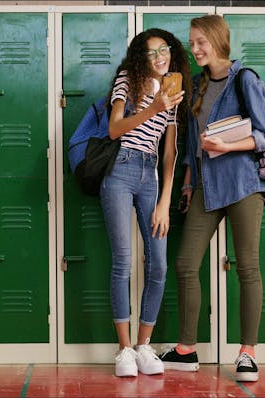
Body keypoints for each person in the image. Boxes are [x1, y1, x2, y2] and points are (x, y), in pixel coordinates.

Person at [157, 15, 265, 383]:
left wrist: (226, 145)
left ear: (217, 39)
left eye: (200, 42)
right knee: (185, 264)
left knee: (247, 268)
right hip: (206, 188)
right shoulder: (196, 85)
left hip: (242, 184)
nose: (194, 50)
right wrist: (189, 183)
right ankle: (186, 349)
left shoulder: (245, 80)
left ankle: (247, 354)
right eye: (191, 44)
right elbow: (192, 145)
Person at [102, 28, 189, 377]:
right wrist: (154, 107)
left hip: (150, 175)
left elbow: (169, 152)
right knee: (123, 261)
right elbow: (114, 128)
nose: (159, 57)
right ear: (141, 57)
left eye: (163, 50)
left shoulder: (172, 89)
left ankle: (143, 346)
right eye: (151, 53)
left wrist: (165, 200)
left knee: (159, 265)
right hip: (121, 169)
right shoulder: (128, 80)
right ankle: (123, 351)